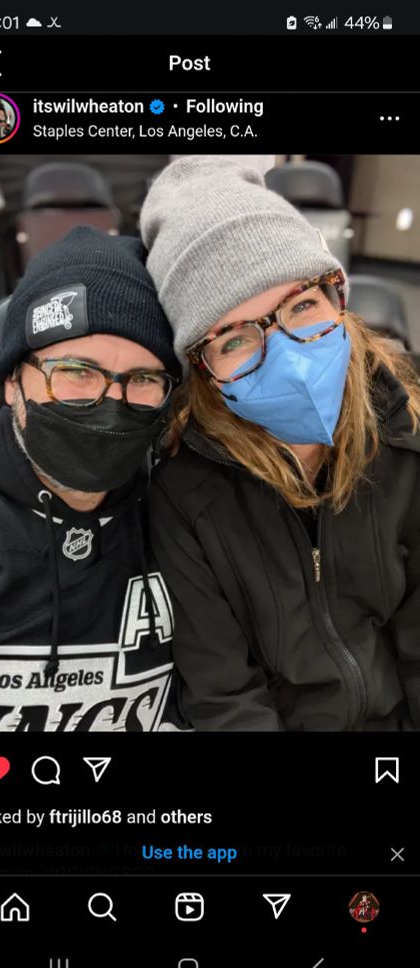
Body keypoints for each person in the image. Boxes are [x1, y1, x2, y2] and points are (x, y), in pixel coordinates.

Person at [140, 155, 420, 732]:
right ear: (202, 368)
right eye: (236, 338)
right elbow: (223, 696)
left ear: (337, 297)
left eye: (301, 305)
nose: (289, 355)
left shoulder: (406, 436)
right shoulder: (184, 494)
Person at [0, 225, 183, 732]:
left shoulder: (184, 505)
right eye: (78, 370)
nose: (110, 403)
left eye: (143, 379)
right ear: (14, 381)